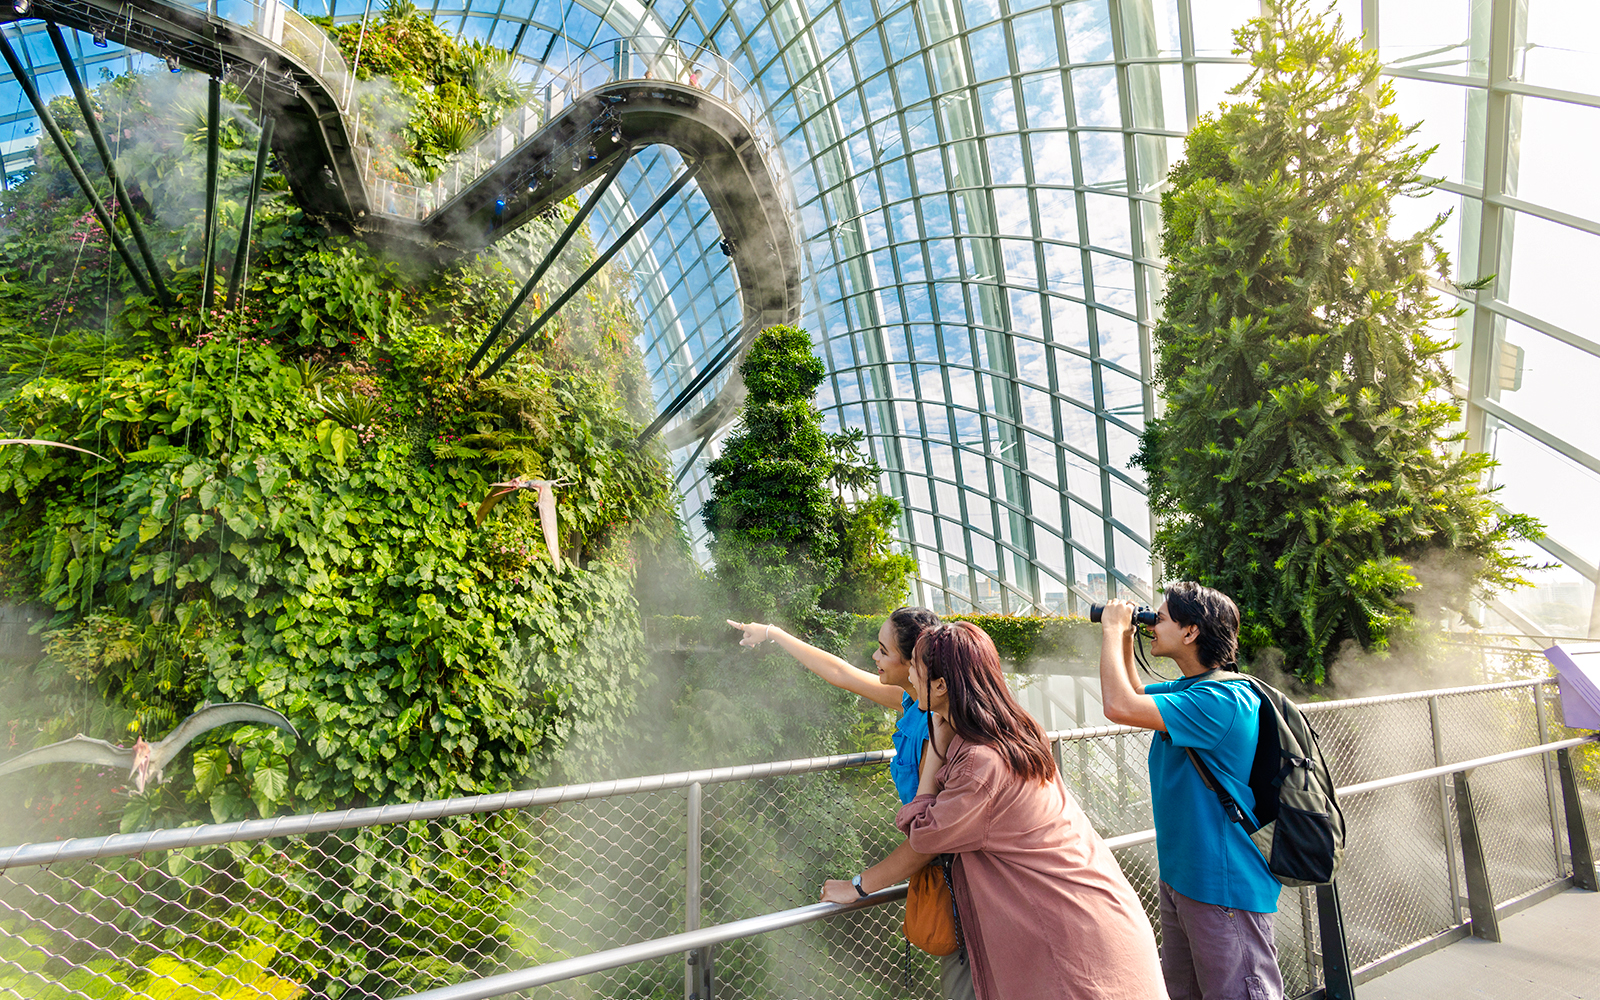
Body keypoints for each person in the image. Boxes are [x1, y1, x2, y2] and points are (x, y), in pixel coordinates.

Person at [898, 621, 1167, 1000]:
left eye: (914, 666)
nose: (909, 673)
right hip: (1094, 916)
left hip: (1070, 945)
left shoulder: (979, 763)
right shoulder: (1017, 733)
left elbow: (924, 833)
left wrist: (933, 760)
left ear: (941, 686)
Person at [728, 610, 975, 1000]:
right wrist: (773, 633)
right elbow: (840, 673)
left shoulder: (938, 725)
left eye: (883, 650)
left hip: (962, 878)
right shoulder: (914, 703)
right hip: (941, 870)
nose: (874, 657)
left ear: (914, 664)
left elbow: (932, 834)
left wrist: (858, 886)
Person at [1097, 584, 1284, 1000]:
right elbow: (1134, 693)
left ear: (1190, 632)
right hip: (1183, 879)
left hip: (1222, 885)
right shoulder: (1191, 690)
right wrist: (1126, 636)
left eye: (1159, 618)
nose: (1152, 625)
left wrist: (1112, 631)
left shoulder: (1223, 698)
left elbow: (1117, 706)